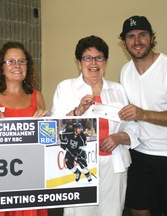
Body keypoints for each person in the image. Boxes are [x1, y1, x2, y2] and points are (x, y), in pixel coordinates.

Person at [51, 35, 139, 216]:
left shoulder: (118, 90)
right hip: (79, 165)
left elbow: (133, 126)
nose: (94, 63)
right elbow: (54, 128)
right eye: (87, 58)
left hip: (114, 166)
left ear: (105, 62)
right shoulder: (65, 88)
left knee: (112, 212)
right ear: (78, 62)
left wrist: (121, 137)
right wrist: (77, 112)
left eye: (99, 58)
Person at [118, 15, 167, 216]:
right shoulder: (125, 71)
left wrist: (143, 114)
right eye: (131, 36)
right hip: (139, 153)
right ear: (124, 42)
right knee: (138, 209)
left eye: (142, 35)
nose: (137, 41)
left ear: (151, 37)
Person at [0, 41, 48, 215]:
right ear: (1, 67)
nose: (17, 66)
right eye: (11, 61)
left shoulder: (37, 96)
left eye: (22, 61)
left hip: (29, 178)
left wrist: (46, 123)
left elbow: (47, 140)